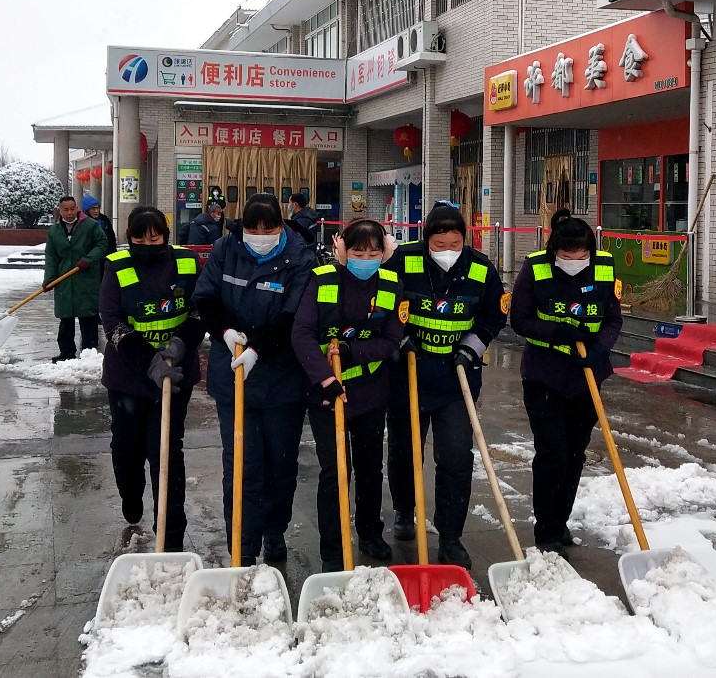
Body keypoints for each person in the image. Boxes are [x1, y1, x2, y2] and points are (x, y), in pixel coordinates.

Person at [193, 192, 314, 565]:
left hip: (282, 377)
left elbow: (295, 315)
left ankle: (274, 531)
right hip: (234, 376)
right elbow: (206, 298)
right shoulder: (225, 250)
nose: (260, 235)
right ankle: (242, 545)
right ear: (241, 226)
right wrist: (226, 332)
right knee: (242, 465)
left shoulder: (300, 257)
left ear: (281, 225)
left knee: (280, 464)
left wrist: (258, 348)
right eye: (253, 228)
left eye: (269, 228)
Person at [384, 203, 506, 568]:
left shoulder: (481, 268)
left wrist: (472, 347)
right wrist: (399, 338)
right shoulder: (405, 261)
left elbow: (494, 314)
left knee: (455, 455)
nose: (448, 251)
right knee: (405, 450)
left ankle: (451, 537)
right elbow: (383, 302)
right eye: (439, 245)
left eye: (455, 244)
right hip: (409, 372)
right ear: (426, 241)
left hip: (456, 376)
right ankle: (405, 509)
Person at [291, 219, 404, 573]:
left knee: (370, 467)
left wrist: (355, 352)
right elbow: (302, 334)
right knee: (335, 469)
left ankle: (370, 532)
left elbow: (391, 339)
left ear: (384, 252)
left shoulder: (390, 283)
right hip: (327, 393)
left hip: (371, 391)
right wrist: (325, 379)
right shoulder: (323, 280)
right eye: (358, 251)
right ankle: (333, 547)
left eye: (373, 252)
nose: (365, 259)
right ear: (342, 249)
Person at [508, 208, 622, 553]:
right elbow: (520, 320)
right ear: (554, 249)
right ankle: (546, 531)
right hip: (545, 374)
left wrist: (600, 349)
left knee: (574, 454)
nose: (574, 260)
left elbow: (613, 319)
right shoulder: (535, 268)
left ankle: (560, 522)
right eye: (567, 254)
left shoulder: (604, 266)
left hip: (586, 375)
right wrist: (556, 332)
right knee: (552, 453)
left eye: (581, 253)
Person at [100, 206, 205, 550]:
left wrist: (179, 345)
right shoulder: (117, 267)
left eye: (155, 237)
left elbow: (200, 309)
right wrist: (150, 361)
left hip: (176, 373)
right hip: (128, 377)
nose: (148, 244)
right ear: (129, 238)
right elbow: (112, 321)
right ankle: (131, 497)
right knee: (127, 449)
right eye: (140, 239)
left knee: (166, 452)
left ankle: (170, 534)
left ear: (165, 236)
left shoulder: (187, 262)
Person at [43, 195, 109, 362]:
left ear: (77, 209)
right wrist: (49, 280)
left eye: (72, 209)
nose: (69, 213)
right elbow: (51, 257)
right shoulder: (54, 231)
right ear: (60, 210)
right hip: (64, 280)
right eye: (65, 210)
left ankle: (89, 352)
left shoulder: (90, 225)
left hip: (86, 279)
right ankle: (66, 353)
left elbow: (102, 244)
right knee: (66, 319)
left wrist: (88, 259)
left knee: (88, 318)